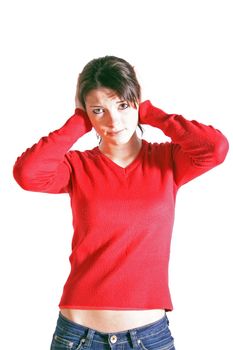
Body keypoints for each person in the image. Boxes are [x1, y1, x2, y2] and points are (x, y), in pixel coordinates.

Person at [13, 55, 229, 350]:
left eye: (123, 105)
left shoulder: (168, 162)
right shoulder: (77, 167)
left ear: (136, 102)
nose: (113, 122)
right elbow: (27, 174)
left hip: (149, 338)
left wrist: (149, 110)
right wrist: (79, 122)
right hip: (78, 337)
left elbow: (215, 148)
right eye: (98, 110)